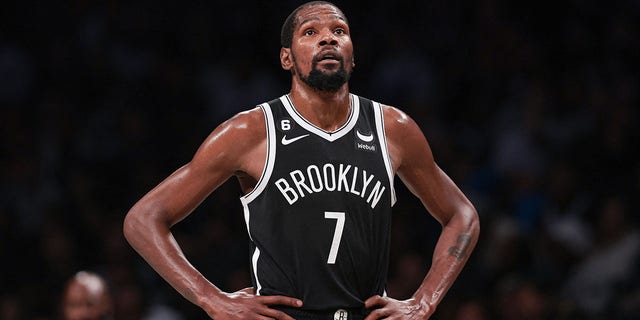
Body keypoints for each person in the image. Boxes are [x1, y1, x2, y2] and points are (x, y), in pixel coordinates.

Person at [123, 1, 480, 319]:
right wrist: (210, 298)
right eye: (311, 32)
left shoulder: (393, 128)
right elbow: (143, 219)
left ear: (353, 55)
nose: (328, 39)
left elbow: (462, 216)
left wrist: (424, 302)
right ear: (286, 58)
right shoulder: (251, 131)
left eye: (339, 31)